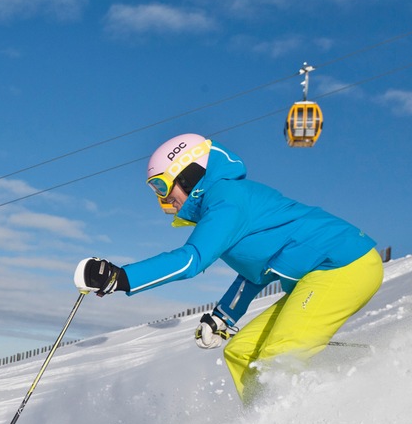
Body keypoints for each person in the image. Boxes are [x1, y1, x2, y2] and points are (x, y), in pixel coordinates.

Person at [74, 133, 383, 402]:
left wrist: (121, 277)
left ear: (188, 175)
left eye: (162, 185)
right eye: (155, 190)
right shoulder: (221, 205)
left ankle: (317, 418)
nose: (164, 199)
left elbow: (191, 260)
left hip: (345, 265)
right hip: (321, 274)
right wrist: (225, 316)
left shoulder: (227, 200)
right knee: (242, 353)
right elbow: (256, 272)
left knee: (279, 356)